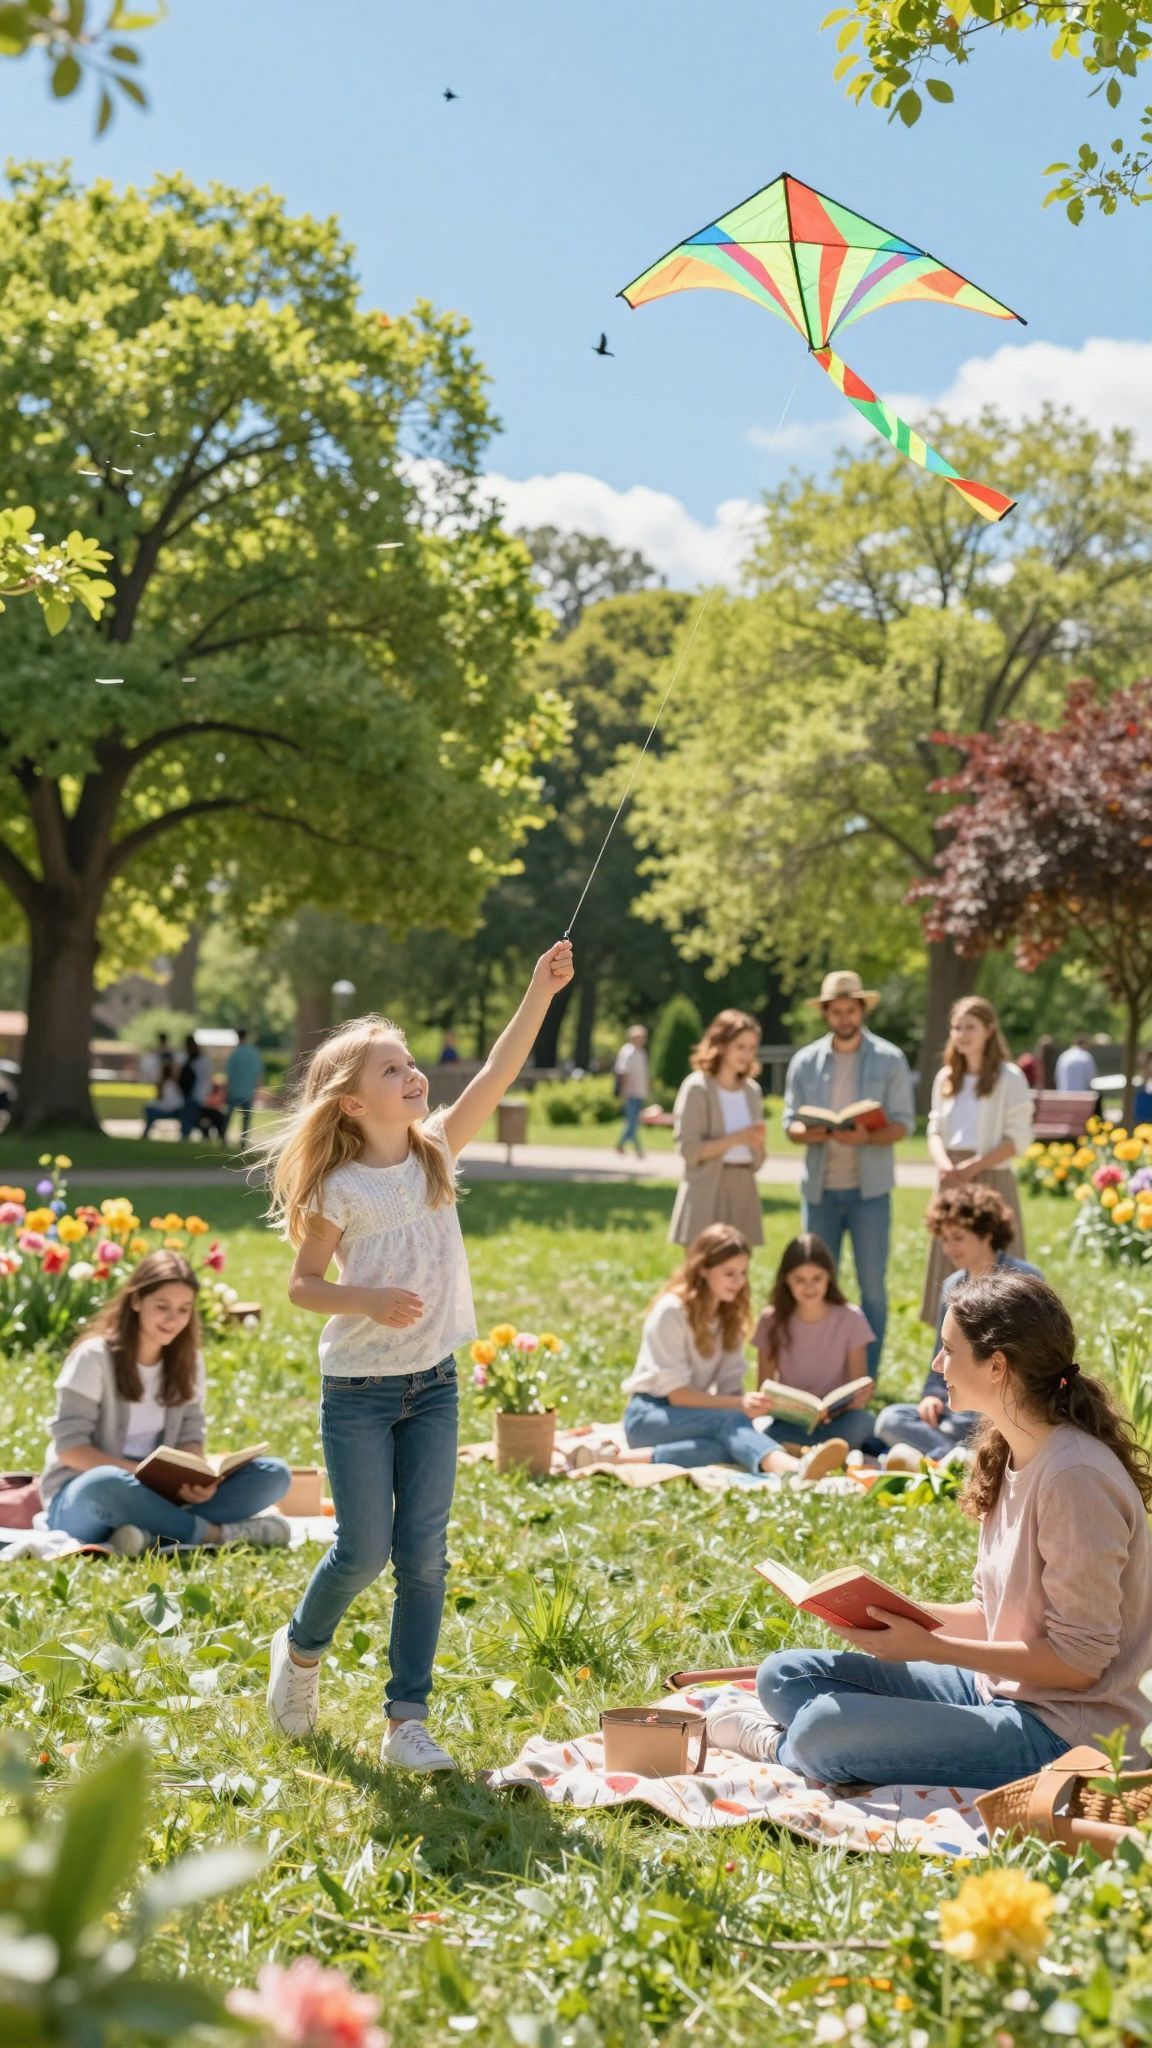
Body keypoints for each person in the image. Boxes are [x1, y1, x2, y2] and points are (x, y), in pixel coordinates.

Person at [260, 940, 574, 1772]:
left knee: (423, 1555)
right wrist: (363, 1299)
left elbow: (498, 1075)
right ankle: (298, 1652)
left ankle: (407, 1721)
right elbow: (301, 1285)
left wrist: (537, 991)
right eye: (391, 1070)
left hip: (433, 1386)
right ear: (354, 1105)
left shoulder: (436, 1152)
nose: (412, 1077)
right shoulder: (338, 1189)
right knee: (362, 1550)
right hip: (359, 1391)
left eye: (409, 1065)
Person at [708, 1270, 1152, 1787]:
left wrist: (929, 1648)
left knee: (823, 1730)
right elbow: (994, 1614)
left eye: (948, 1350)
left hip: (1065, 1735)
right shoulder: (1011, 1450)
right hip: (998, 1690)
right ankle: (837, 1741)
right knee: (786, 1674)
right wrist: (883, 1614)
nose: (937, 1364)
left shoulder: (1076, 1479)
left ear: (998, 1366)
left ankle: (786, 1747)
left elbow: (1079, 1665)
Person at [41, 1251, 292, 1553]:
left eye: (184, 1309)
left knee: (273, 1474)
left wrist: (196, 1480)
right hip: (85, 1497)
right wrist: (138, 1476)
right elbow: (70, 1450)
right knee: (107, 1482)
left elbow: (190, 1437)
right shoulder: (94, 1357)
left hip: (163, 1496)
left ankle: (147, 1535)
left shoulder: (189, 1361)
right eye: (162, 1307)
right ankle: (213, 1535)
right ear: (136, 1302)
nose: (174, 1320)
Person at [602, 1225, 849, 1483]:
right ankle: (791, 1468)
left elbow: (729, 1390)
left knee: (732, 1444)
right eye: (729, 1273)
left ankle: (626, 1460)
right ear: (703, 1270)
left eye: (743, 1273)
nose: (739, 1281)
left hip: (695, 1418)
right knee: (730, 1424)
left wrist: (748, 1407)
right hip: (650, 1416)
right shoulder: (671, 1312)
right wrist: (738, 1405)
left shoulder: (728, 1316)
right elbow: (677, 1395)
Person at [782, 971, 915, 1375]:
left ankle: (866, 1377)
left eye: (850, 1010)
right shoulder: (805, 1062)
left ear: (861, 1010)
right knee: (815, 1288)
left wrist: (867, 1138)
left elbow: (904, 1124)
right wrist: (812, 1132)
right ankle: (824, 1371)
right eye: (836, 1011)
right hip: (820, 1192)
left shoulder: (890, 1059)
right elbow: (790, 1124)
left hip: (869, 1192)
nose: (843, 1017)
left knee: (872, 1289)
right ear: (826, 1013)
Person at [877, 1185, 1042, 1465]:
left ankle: (948, 1457)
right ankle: (958, 1459)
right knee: (889, 1420)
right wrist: (932, 1395)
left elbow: (1034, 1356)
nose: (949, 1248)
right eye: (944, 1239)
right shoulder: (953, 1285)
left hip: (1004, 1408)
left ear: (986, 1233)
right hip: (959, 1412)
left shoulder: (1022, 1278)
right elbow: (941, 1353)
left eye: (958, 1238)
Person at [922, 996, 1033, 1326]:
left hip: (990, 1175)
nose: (962, 1034)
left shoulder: (1009, 1078)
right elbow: (934, 1129)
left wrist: (976, 1166)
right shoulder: (946, 1078)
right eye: (957, 1027)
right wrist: (944, 1163)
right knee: (951, 1261)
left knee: (995, 1269)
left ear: (989, 1030)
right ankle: (949, 1342)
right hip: (951, 1178)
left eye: (970, 1027)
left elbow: (1019, 1138)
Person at [753, 1234, 881, 1460]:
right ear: (786, 1280)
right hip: (790, 1422)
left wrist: (859, 1397)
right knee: (761, 1430)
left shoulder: (850, 1318)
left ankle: (803, 1453)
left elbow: (857, 1385)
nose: (809, 1287)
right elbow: (763, 1386)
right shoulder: (771, 1320)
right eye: (799, 1280)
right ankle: (823, 1453)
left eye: (817, 1278)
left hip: (839, 1420)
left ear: (829, 1277)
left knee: (864, 1423)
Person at [669, 1010, 766, 1247]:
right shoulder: (697, 1088)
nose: (747, 1054)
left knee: (736, 1276)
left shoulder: (752, 1091)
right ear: (721, 1045)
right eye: (740, 1046)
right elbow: (689, 1151)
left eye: (752, 1048)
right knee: (701, 1274)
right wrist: (737, 1138)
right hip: (706, 1190)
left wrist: (757, 1144)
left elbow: (758, 1159)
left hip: (744, 1190)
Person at [614, 1025, 650, 1158]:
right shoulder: (626, 1052)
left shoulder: (642, 1053)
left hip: (640, 1092)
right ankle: (638, 1149)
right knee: (632, 1122)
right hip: (630, 1092)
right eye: (641, 1037)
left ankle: (621, 1144)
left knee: (633, 1121)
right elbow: (623, 1073)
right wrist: (623, 1091)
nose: (643, 1040)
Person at [225, 1028, 264, 1144]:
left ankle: (223, 1138)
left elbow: (229, 1074)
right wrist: (258, 1088)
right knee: (246, 1119)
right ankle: (243, 1141)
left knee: (228, 1116)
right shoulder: (253, 1053)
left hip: (234, 1090)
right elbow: (259, 1073)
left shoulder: (234, 1054)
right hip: (248, 1091)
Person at [178, 1032, 213, 1140]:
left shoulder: (188, 1060)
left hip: (192, 1094)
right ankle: (204, 1133)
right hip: (198, 1094)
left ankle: (187, 1136)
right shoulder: (202, 1060)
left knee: (189, 1118)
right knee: (194, 1117)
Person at [142, 1056, 183, 1137]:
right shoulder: (169, 1084)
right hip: (170, 1107)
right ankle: (147, 1130)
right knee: (149, 1108)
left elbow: (170, 1102)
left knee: (149, 1109)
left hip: (171, 1109)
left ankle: (147, 1131)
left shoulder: (169, 1084)